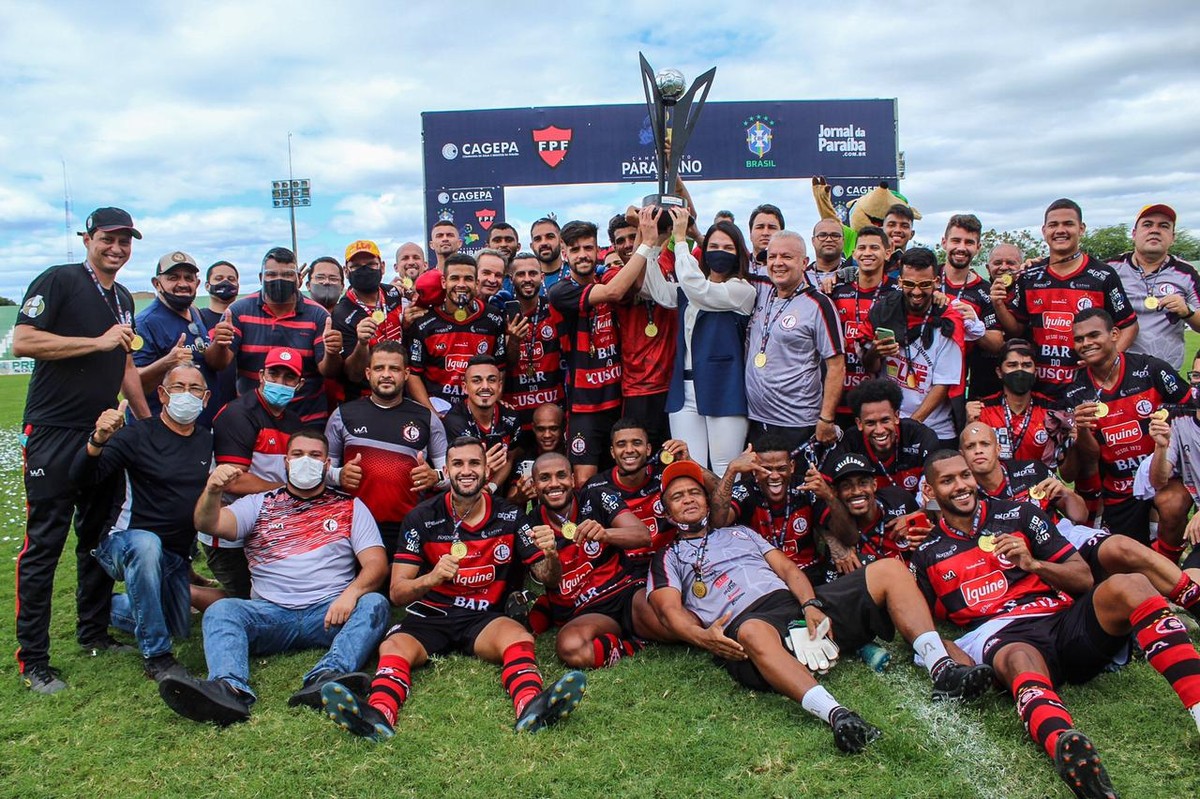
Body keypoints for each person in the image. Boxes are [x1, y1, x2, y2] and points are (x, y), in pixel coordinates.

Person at [648, 460, 992, 754]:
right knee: (752, 630)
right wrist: (703, 637)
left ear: (708, 501)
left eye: (694, 492)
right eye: (677, 496)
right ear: (666, 509)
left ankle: (942, 668)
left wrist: (811, 603)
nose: (688, 499)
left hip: (793, 606)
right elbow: (669, 611)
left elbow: (786, 570)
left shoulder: (740, 532)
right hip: (749, 626)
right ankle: (837, 715)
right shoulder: (667, 556)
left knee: (889, 569)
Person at [916, 451, 1200, 798]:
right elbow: (927, 628)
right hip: (1003, 634)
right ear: (930, 492)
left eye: (964, 476)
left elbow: (1082, 578)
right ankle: (1065, 745)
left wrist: (1033, 563)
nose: (961, 486)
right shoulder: (926, 553)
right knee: (1018, 657)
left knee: (1132, 585)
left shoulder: (1019, 514)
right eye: (948, 481)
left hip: (1062, 619)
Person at [321, 436, 586, 740]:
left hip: (483, 617)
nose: (466, 470)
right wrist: (432, 578)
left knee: (518, 636)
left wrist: (551, 554)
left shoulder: (512, 516)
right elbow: (397, 591)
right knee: (393, 647)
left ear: (487, 470)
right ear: (446, 470)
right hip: (430, 616)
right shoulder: (422, 517)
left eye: (474, 463)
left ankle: (532, 707)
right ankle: (379, 714)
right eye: (458, 464)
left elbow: (548, 579)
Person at [158, 428, 388, 725]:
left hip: (330, 613)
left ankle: (327, 677)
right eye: (298, 454)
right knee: (222, 610)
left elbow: (376, 564)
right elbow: (209, 522)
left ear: (328, 465)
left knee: (375, 604)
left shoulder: (350, 507)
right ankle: (229, 689)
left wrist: (351, 593)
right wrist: (213, 491)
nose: (307, 461)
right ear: (286, 461)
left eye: (315, 456)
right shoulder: (259, 503)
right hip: (270, 614)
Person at [13, 206, 152, 693]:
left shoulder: (122, 300)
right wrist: (95, 343)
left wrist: (148, 424)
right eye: (108, 239)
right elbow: (23, 341)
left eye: (125, 241)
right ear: (88, 238)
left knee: (96, 534)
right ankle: (33, 660)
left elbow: (126, 365)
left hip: (104, 430)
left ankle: (93, 631)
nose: (117, 248)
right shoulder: (60, 280)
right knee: (45, 544)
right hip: (54, 430)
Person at [963, 423, 1200, 623]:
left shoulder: (1030, 470)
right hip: (1019, 557)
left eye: (984, 444)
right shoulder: (963, 494)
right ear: (962, 455)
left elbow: (1079, 514)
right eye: (970, 447)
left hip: (1062, 534)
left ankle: (1192, 597)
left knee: (1121, 547)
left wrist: (1065, 494)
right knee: (1111, 589)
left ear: (997, 447)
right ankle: (1154, 614)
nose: (978, 451)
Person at [70, 365, 214, 682]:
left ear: (206, 399)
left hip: (173, 556)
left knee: (178, 625)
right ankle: (157, 657)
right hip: (124, 543)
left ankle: (104, 608)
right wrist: (97, 441)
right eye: (178, 387)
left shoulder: (206, 441)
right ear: (162, 395)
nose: (186, 395)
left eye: (194, 389)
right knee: (146, 545)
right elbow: (81, 478)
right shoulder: (137, 435)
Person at [526, 452, 674, 668]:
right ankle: (630, 645)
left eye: (561, 475)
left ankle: (714, 639)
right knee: (571, 648)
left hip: (626, 593)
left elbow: (643, 536)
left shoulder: (596, 496)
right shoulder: (530, 525)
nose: (554, 484)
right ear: (535, 485)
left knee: (673, 625)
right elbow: (549, 581)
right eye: (545, 478)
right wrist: (550, 554)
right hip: (584, 611)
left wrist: (606, 534)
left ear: (573, 480)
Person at [1064, 308, 1191, 543]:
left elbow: (1192, 409)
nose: (1086, 343)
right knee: (1126, 558)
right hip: (1119, 489)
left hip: (1163, 478)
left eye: (1093, 335)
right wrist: (1081, 430)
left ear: (1114, 334)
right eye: (1079, 339)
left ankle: (1171, 572)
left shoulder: (1152, 370)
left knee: (1173, 504)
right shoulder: (1076, 391)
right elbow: (1085, 460)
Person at [641, 217, 755, 475]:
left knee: (727, 469)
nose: (719, 253)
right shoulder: (691, 289)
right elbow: (657, 290)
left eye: (728, 248)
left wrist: (681, 241)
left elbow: (699, 290)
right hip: (684, 390)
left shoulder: (741, 290)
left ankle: (730, 516)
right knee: (689, 466)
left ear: (739, 253)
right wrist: (655, 244)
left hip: (723, 388)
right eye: (713, 246)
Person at [992, 198, 1138, 399]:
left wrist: (1105, 360)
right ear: (1044, 231)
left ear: (1081, 229)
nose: (1060, 230)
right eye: (1053, 225)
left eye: (1068, 224)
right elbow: (1016, 328)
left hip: (1087, 385)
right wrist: (998, 304)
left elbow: (1129, 326)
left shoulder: (1103, 275)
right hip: (1038, 388)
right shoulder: (1030, 276)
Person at [548, 215, 655, 483]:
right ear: (565, 253)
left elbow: (636, 277)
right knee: (584, 481)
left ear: (598, 250)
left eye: (588, 248)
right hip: (585, 407)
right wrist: (647, 242)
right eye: (575, 250)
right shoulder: (561, 291)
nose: (582, 255)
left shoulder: (605, 277)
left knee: (625, 474)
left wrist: (642, 231)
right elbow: (615, 293)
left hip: (619, 400)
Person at [325, 341, 448, 558]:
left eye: (394, 369)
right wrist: (339, 474)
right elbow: (322, 473)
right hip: (353, 524)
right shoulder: (342, 415)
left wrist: (434, 476)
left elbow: (450, 473)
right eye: (379, 368)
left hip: (408, 525)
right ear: (368, 372)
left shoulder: (427, 418)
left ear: (407, 373)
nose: (386, 374)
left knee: (400, 590)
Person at [202, 346, 306, 599]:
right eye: (274, 374)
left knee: (283, 594)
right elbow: (233, 481)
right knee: (250, 601)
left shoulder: (293, 423)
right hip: (230, 532)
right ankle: (184, 592)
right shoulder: (238, 414)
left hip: (270, 527)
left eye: (288, 377)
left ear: (299, 384)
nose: (280, 382)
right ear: (261, 375)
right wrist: (287, 488)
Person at [205, 246, 341, 426]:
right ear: (261, 278)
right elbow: (217, 364)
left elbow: (328, 371)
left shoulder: (318, 315)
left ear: (299, 279)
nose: (279, 280)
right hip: (252, 419)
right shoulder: (238, 311)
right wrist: (219, 344)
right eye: (271, 274)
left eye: (287, 275)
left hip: (306, 420)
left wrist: (332, 352)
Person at [744, 230, 844, 450]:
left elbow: (836, 366)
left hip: (797, 422)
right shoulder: (761, 290)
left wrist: (826, 419)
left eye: (787, 257)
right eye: (772, 257)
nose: (778, 263)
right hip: (755, 418)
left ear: (804, 262)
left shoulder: (819, 304)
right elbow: (727, 256)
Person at [716, 433, 854, 583]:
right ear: (754, 470)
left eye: (781, 468)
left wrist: (829, 496)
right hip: (764, 577)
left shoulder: (806, 488)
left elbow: (850, 537)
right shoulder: (746, 490)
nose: (774, 476)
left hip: (808, 572)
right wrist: (731, 471)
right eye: (766, 469)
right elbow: (718, 523)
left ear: (792, 467)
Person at [863, 247, 965, 446]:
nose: (917, 292)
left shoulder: (947, 320)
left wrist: (911, 426)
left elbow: (943, 384)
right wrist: (875, 352)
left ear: (937, 282)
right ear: (900, 282)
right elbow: (871, 367)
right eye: (909, 284)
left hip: (934, 429)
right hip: (888, 425)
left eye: (925, 284)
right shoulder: (884, 311)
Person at [604, 213, 678, 449]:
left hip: (674, 384)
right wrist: (644, 240)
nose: (626, 244)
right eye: (620, 240)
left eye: (631, 236)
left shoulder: (666, 263)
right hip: (639, 387)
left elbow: (688, 216)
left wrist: (671, 176)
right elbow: (637, 283)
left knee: (676, 453)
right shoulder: (613, 276)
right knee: (643, 453)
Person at [584, 419, 689, 577]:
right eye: (621, 444)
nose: (629, 450)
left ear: (648, 449)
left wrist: (689, 462)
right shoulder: (595, 488)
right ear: (612, 452)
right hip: (622, 575)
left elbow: (717, 501)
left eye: (636, 443)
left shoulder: (667, 476)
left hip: (671, 564)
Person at [407, 253, 508, 413]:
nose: (461, 284)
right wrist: (433, 415)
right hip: (438, 410)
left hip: (478, 412)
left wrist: (490, 406)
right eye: (455, 278)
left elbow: (500, 369)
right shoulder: (424, 322)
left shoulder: (494, 319)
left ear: (476, 283)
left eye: (467, 279)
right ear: (444, 282)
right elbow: (413, 373)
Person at [1107, 203, 1200, 371]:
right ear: (1134, 234)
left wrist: (1188, 311)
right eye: (1148, 224)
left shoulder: (1187, 273)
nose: (1155, 230)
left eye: (1163, 226)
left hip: (1165, 378)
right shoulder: (1110, 268)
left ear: (1173, 237)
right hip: (1117, 375)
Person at [133, 251, 217, 425]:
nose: (182, 284)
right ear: (157, 283)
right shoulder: (145, 323)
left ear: (197, 283)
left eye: (189, 278)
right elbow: (132, 383)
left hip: (196, 427)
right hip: (160, 429)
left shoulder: (195, 313)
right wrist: (167, 363)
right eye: (173, 278)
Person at [830, 226, 897, 424]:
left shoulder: (897, 293)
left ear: (887, 252)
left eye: (874, 248)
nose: (867, 253)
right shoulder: (836, 289)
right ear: (854, 252)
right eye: (862, 248)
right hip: (839, 392)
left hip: (880, 396)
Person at [830, 378, 939, 498]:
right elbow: (835, 494)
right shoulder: (850, 443)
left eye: (885, 420)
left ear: (896, 417)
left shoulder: (920, 436)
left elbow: (935, 494)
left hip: (919, 512)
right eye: (870, 423)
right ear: (859, 423)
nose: (880, 430)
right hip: (869, 513)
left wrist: (930, 514)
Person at [938, 214, 1005, 402]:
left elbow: (997, 344)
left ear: (978, 247)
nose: (961, 248)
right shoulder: (928, 277)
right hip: (920, 380)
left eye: (969, 242)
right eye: (956, 240)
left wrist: (977, 329)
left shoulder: (985, 291)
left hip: (961, 388)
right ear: (944, 242)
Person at [823, 452, 920, 579]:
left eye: (862, 483)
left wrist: (920, 513)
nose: (856, 491)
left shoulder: (899, 498)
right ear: (836, 492)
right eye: (846, 486)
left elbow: (939, 506)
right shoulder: (839, 535)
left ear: (874, 485)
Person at [965, 338, 1064, 464]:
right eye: (1012, 365)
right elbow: (969, 459)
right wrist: (970, 424)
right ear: (999, 372)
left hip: (1041, 482)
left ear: (1035, 373)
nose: (1020, 371)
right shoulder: (982, 410)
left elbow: (1065, 467)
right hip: (997, 482)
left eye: (1026, 365)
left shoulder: (1051, 411)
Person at [502, 252, 566, 439]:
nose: (527, 279)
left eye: (533, 273)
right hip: (515, 413)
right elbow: (505, 364)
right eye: (521, 274)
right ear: (511, 279)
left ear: (542, 277)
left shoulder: (555, 309)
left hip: (552, 412)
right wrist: (513, 340)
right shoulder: (500, 315)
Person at [330, 240, 404, 400]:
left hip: (401, 392)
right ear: (346, 271)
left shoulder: (393, 294)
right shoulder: (341, 313)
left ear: (382, 267)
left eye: (371, 264)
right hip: (364, 398)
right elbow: (353, 374)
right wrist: (362, 344)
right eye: (356, 266)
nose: (364, 270)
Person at [442, 355, 520, 492]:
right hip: (464, 492)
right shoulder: (453, 421)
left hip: (496, 493)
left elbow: (509, 459)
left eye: (491, 380)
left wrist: (490, 487)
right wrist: (483, 466)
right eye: (477, 381)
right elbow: (460, 470)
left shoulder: (511, 417)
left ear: (499, 386)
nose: (485, 386)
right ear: (465, 388)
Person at [199, 260, 240, 417]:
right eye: (219, 278)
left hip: (239, 404)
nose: (225, 282)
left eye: (231, 279)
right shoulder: (198, 318)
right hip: (207, 403)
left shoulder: (245, 318)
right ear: (207, 285)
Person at [530, 217, 568, 291]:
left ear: (561, 242)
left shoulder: (575, 273)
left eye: (550, 237)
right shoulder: (527, 279)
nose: (544, 243)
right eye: (538, 239)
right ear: (532, 246)